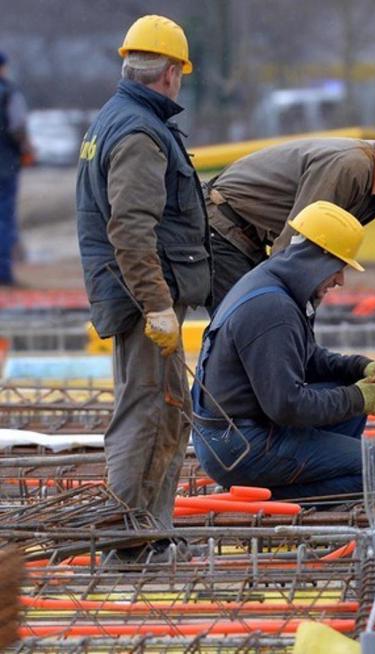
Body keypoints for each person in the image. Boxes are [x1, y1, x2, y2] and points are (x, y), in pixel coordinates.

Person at [76, 15, 209, 561]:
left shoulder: (119, 118)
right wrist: (156, 305)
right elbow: (129, 229)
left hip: (133, 293)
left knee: (166, 411)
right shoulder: (138, 132)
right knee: (148, 415)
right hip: (141, 299)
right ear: (172, 72)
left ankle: (149, 535)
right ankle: (128, 545)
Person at [191, 201, 375, 503]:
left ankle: (310, 476)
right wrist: (356, 397)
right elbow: (286, 405)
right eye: (339, 267)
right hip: (238, 447)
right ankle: (266, 497)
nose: (340, 280)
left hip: (234, 434)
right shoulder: (273, 309)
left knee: (349, 408)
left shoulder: (274, 285)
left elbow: (308, 359)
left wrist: (359, 369)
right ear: (319, 259)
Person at [202, 116, 375, 312]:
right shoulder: (352, 168)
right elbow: (295, 243)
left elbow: (320, 255)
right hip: (223, 224)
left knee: (262, 320)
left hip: (245, 234)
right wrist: (295, 311)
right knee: (250, 323)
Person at [0, 51, 32, 286]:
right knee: (4, 217)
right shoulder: (9, 93)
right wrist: (27, 150)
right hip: (5, 166)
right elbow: (17, 127)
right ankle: (4, 272)